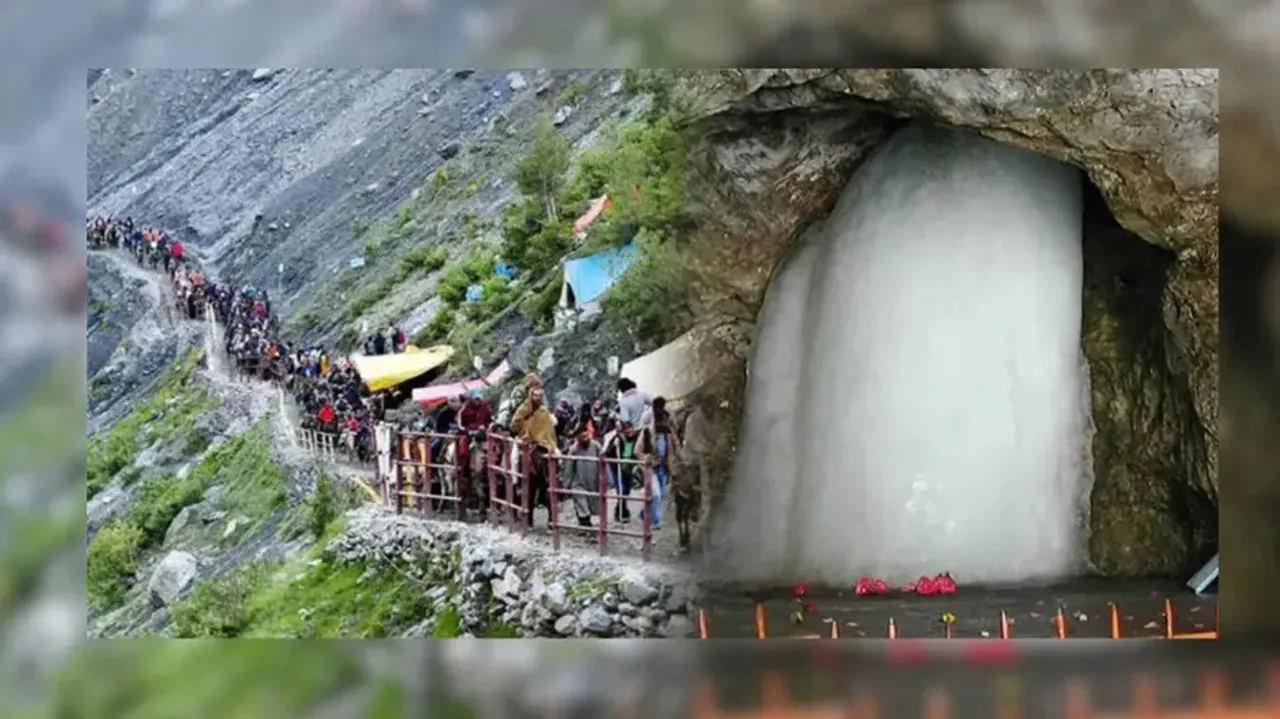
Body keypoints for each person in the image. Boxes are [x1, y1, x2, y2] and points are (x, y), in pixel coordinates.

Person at [511, 386, 557, 527]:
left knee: (558, 457)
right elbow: (514, 425)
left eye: (540, 395)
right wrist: (525, 433)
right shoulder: (523, 409)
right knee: (514, 459)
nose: (538, 398)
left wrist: (547, 441)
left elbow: (550, 428)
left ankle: (552, 519)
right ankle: (515, 480)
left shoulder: (544, 412)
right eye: (536, 395)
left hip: (545, 444)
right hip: (526, 442)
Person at [636, 397, 680, 531]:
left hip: (663, 466)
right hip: (651, 466)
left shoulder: (667, 429)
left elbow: (676, 444)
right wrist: (646, 457)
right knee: (656, 494)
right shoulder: (648, 428)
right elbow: (638, 450)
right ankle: (656, 521)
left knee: (658, 493)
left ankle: (644, 514)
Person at [562, 429, 603, 528]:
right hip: (578, 481)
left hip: (593, 479)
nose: (585, 439)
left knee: (591, 504)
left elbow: (603, 459)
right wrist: (567, 484)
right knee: (581, 502)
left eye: (586, 436)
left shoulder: (596, 446)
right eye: (582, 436)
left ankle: (585, 521)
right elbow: (569, 468)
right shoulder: (574, 449)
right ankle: (584, 523)